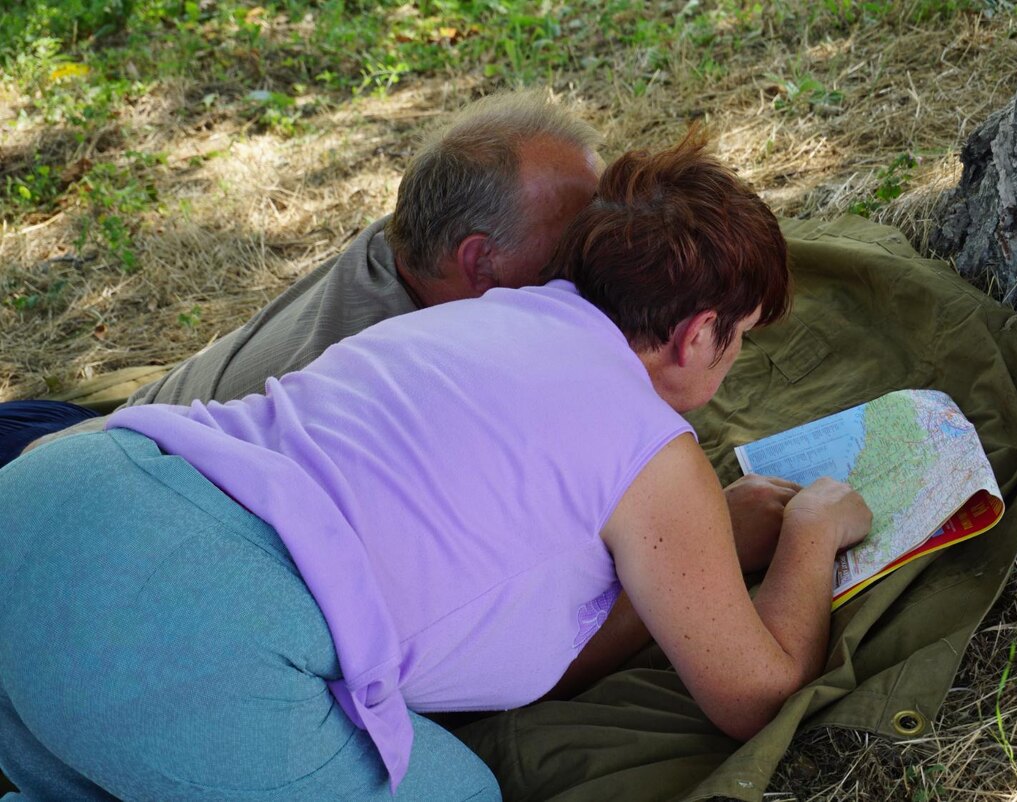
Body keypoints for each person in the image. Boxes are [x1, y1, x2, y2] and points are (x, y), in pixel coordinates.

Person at [0, 132, 871, 800]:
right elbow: (754, 696)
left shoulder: (469, 318)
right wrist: (810, 532)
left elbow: (522, 631)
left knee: (82, 742)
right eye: (740, 340)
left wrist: (701, 546)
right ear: (696, 333)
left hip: (60, 493)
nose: (732, 366)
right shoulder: (656, 451)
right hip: (205, 629)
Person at [0, 89, 604, 462]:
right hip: (56, 477)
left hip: (83, 429)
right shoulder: (377, 386)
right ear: (478, 260)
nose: (593, 256)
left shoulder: (413, 239)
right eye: (574, 241)